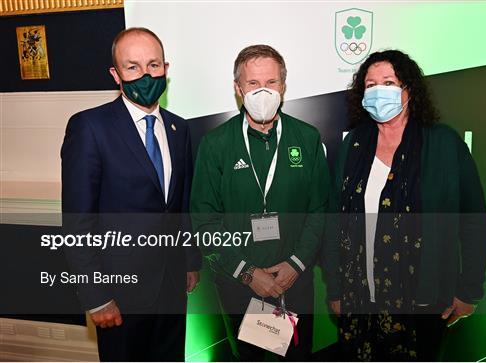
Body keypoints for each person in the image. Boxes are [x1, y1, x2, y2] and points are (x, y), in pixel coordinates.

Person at [321, 50, 486, 361]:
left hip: (422, 303)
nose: (377, 91)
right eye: (370, 85)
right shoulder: (353, 145)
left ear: (409, 90)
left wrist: (469, 291)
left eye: (388, 82)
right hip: (359, 298)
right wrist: (335, 287)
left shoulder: (444, 144)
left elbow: (474, 222)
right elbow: (334, 222)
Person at [61, 27, 201, 361]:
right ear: (116, 74)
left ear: (166, 69)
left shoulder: (178, 128)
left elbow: (179, 207)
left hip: (171, 289)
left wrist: (189, 262)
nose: (145, 74)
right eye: (133, 66)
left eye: (153, 65)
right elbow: (78, 221)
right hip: (119, 295)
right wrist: (95, 295)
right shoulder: (90, 128)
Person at [190, 44, 330, 361]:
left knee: (297, 355)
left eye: (271, 83)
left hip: (295, 281)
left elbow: (320, 210)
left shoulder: (306, 138)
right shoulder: (215, 145)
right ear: (239, 89)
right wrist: (248, 273)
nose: (262, 91)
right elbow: (204, 221)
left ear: (283, 86)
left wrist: (297, 263)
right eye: (253, 84)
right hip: (240, 285)